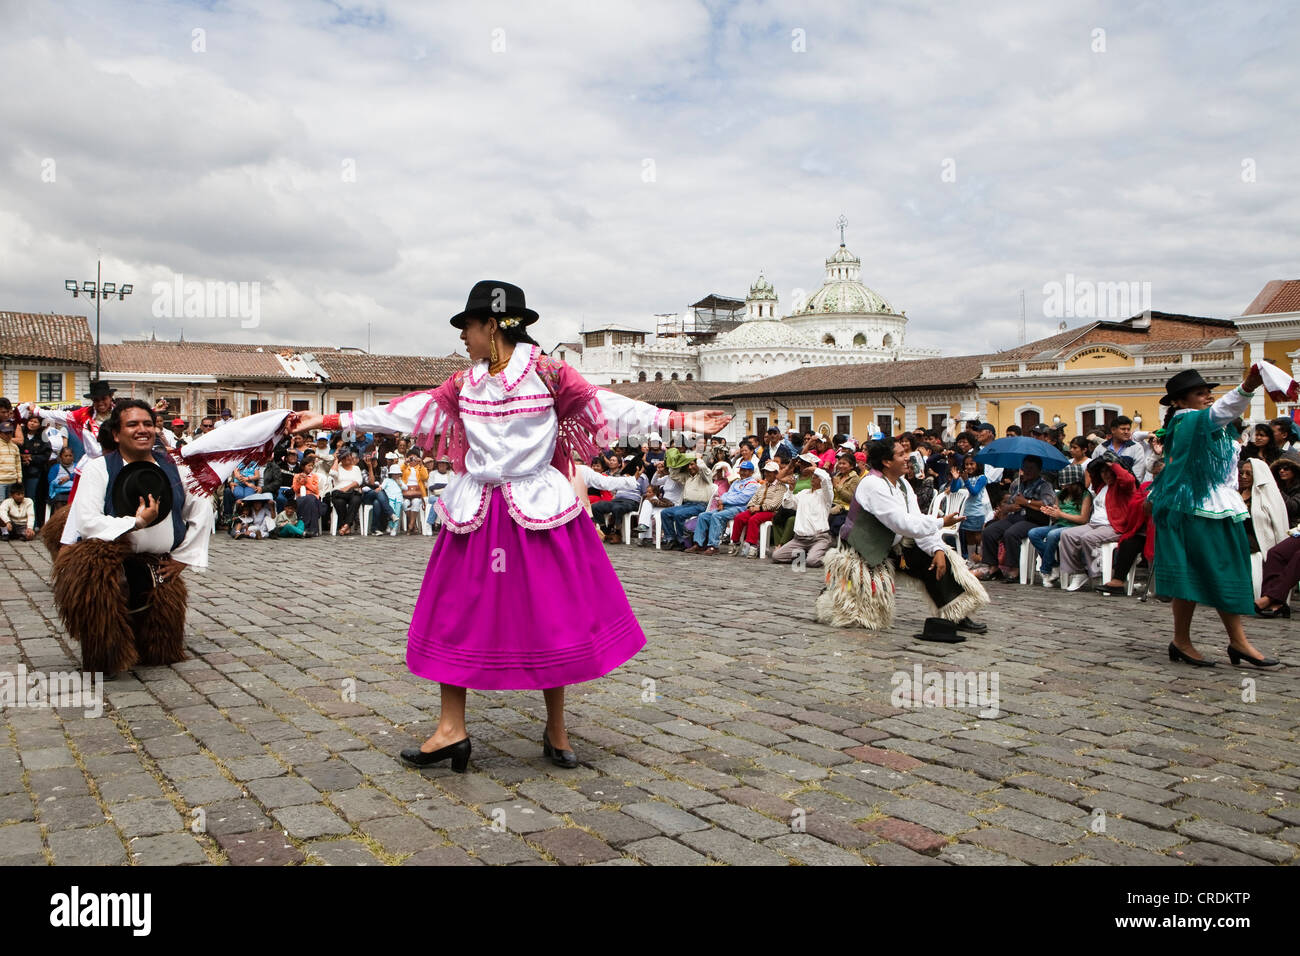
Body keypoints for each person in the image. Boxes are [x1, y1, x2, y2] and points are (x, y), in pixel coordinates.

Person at [291, 279, 730, 772]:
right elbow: (404, 412)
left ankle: (556, 727)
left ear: (493, 326)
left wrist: (680, 421)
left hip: (539, 512)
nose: (462, 336)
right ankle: (450, 729)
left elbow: (609, 407)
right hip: (476, 512)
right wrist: (327, 422)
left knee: (550, 615)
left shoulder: (550, 374)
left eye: (468, 326)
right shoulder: (462, 385)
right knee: (453, 614)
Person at [43, 400, 213, 674]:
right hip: (108, 561)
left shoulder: (176, 468)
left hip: (157, 561)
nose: (142, 429)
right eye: (132, 424)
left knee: (160, 654)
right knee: (103, 628)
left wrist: (183, 558)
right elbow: (86, 519)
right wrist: (135, 522)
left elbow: (202, 507)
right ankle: (106, 644)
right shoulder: (98, 469)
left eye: (148, 423)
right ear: (116, 434)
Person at [1148, 368, 1277, 668]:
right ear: (1179, 402)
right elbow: (1222, 411)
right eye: (1199, 393)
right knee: (1206, 571)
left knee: (1219, 569)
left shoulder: (1207, 425)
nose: (1208, 395)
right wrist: (1247, 387)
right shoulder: (1186, 420)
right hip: (1195, 507)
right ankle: (1201, 640)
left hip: (1216, 506)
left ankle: (1230, 640)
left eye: (1208, 391)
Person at [817, 436, 988, 638]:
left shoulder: (903, 485)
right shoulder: (872, 484)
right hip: (863, 553)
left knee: (939, 559)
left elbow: (915, 520)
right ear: (886, 462)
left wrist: (937, 549)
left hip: (895, 546)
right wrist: (941, 522)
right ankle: (834, 592)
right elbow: (900, 522)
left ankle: (955, 615)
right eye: (901, 454)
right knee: (860, 619)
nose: (907, 458)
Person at [972, 455, 1056, 583]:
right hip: (1015, 516)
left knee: (1011, 533)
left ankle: (1014, 569)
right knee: (990, 531)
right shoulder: (1018, 484)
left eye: (1031, 468)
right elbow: (1007, 503)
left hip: (1034, 520)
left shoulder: (1044, 485)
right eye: (1025, 468)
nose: (1027, 471)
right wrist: (1011, 506)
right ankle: (993, 567)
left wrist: (1026, 502)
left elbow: (1047, 504)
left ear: (1038, 470)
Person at [1030, 463, 1090, 586]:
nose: (1064, 486)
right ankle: (1054, 564)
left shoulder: (1085, 495)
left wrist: (1061, 514)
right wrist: (1051, 513)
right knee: (1033, 533)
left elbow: (1083, 519)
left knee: (1052, 535)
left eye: (1068, 484)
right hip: (1059, 524)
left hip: (1074, 526)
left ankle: (1046, 570)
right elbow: (1056, 515)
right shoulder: (1060, 495)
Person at [686, 459, 758, 555]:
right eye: (741, 470)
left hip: (738, 508)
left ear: (751, 472)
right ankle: (699, 544)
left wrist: (723, 501)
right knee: (703, 515)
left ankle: (713, 546)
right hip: (726, 506)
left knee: (717, 516)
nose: (743, 472)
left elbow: (742, 499)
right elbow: (726, 494)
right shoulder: (736, 482)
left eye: (745, 470)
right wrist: (721, 501)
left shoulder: (752, 484)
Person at [770, 460, 833, 568]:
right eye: (813, 476)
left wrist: (815, 469)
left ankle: (823, 554)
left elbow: (827, 479)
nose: (813, 478)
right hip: (799, 539)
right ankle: (805, 553)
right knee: (777, 556)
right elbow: (788, 504)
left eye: (816, 476)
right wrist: (790, 490)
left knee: (812, 562)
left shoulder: (825, 495)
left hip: (818, 538)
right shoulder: (803, 493)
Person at [20, 414, 52, 531]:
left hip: (35, 472)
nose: (32, 423)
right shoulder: (20, 433)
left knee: (32, 497)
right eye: (30, 421)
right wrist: (22, 457)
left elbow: (46, 454)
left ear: (40, 425)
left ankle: (33, 525)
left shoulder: (43, 437)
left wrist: (32, 458)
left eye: (35, 422)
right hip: (19, 470)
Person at [1271, 453, 1300, 525]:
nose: (1281, 471)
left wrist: (1277, 490)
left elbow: (1292, 507)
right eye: (1279, 468)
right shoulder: (1279, 485)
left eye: (1286, 468)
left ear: (1295, 470)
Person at [48, 446, 76, 511]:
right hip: (59, 493)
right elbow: (51, 481)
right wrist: (59, 482)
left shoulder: (77, 466)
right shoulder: (55, 468)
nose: (68, 458)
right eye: (66, 456)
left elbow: (80, 476)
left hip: (73, 492)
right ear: (61, 457)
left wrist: (68, 478)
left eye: (70, 456)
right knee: (59, 501)